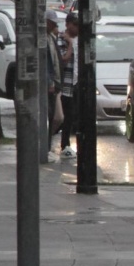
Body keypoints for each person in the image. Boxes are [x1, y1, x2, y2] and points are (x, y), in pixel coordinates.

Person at [58, 13, 78, 159]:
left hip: (76, 83)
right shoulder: (62, 40)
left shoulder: (79, 39)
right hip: (66, 84)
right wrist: (70, 43)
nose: (76, 28)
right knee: (65, 116)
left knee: (73, 116)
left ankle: (67, 144)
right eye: (74, 25)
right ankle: (64, 144)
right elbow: (64, 60)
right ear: (67, 24)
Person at [45, 15, 62, 163]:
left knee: (55, 116)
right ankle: (45, 147)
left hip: (54, 84)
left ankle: (47, 147)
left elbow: (56, 61)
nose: (55, 27)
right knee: (51, 115)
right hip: (49, 85)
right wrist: (50, 82)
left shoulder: (51, 38)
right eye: (52, 23)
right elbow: (46, 63)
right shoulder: (43, 40)